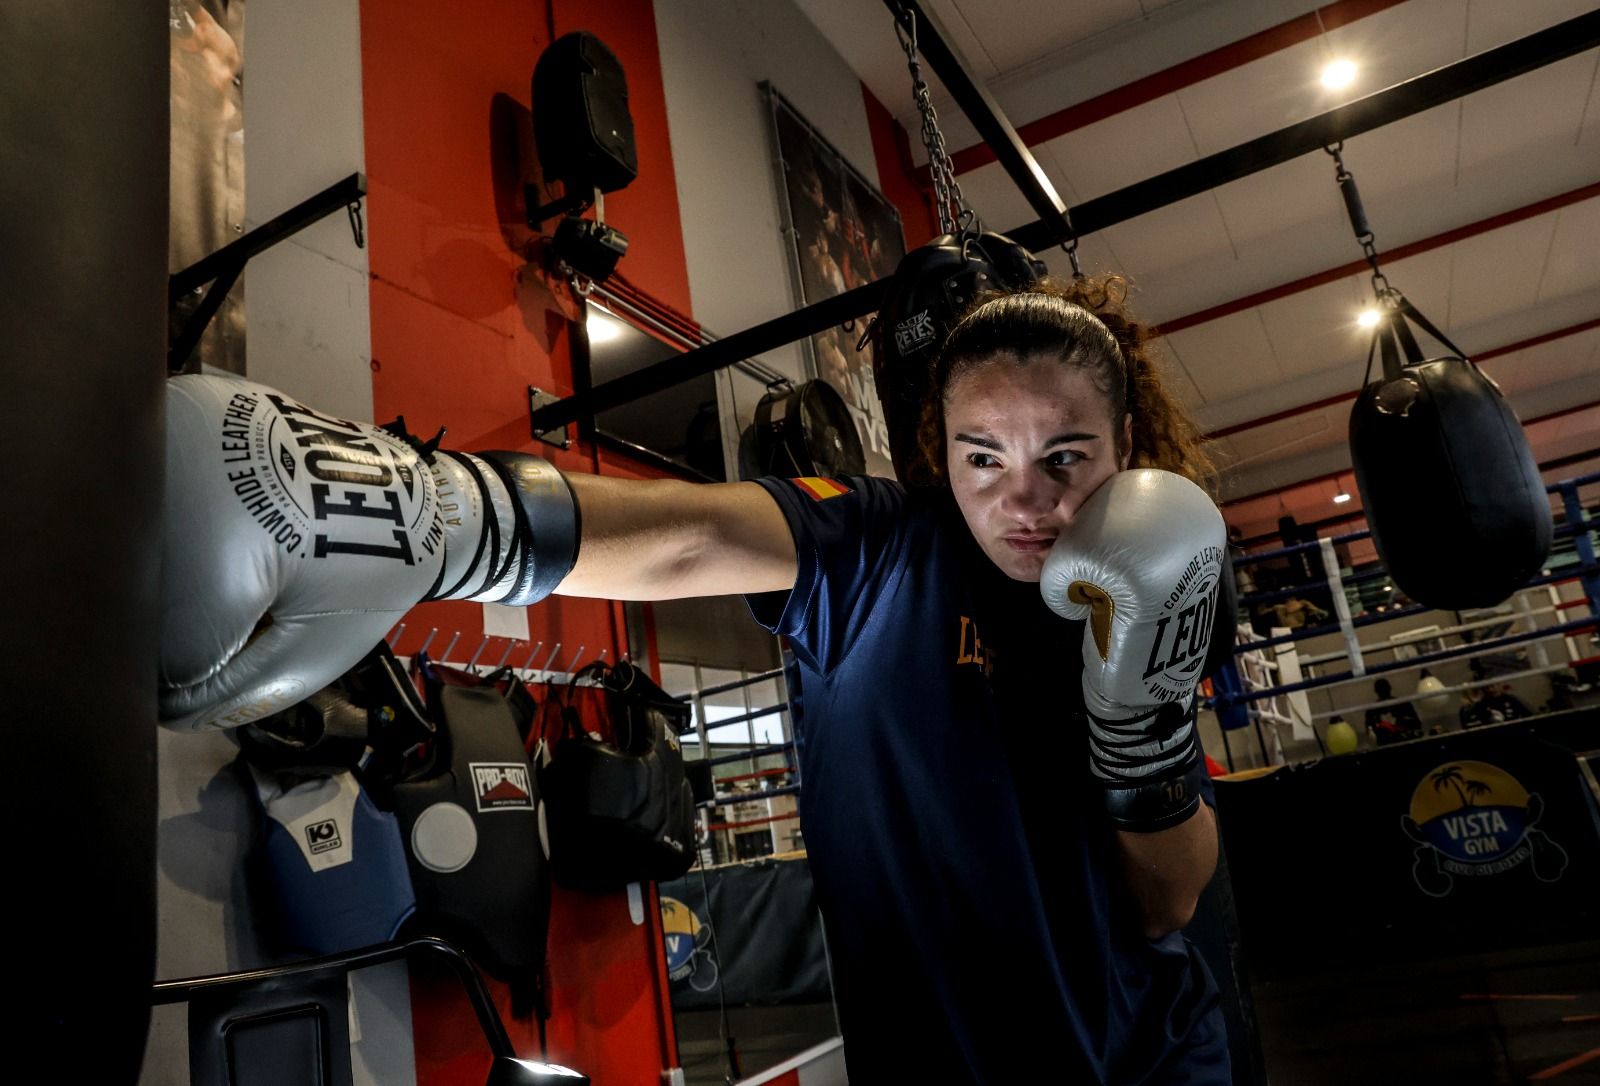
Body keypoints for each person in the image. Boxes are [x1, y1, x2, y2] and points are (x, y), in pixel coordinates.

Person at [161, 275, 1229, 1083]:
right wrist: (447, 514)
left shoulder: (1153, 586)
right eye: (983, 454)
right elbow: (692, 537)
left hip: (1151, 1059)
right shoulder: (878, 551)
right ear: (937, 450)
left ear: (1124, 443)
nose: (1023, 500)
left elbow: (1167, 898)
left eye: (1066, 456)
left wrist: (1142, 728)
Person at [1365, 677, 1423, 745]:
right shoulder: (1404, 704)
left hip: (1401, 740)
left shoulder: (1372, 710)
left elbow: (1417, 724)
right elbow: (1370, 732)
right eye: (1381, 689)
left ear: (1375, 691)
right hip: (1393, 742)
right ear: (1390, 688)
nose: (1383, 691)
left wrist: (1396, 722)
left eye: (1384, 689)